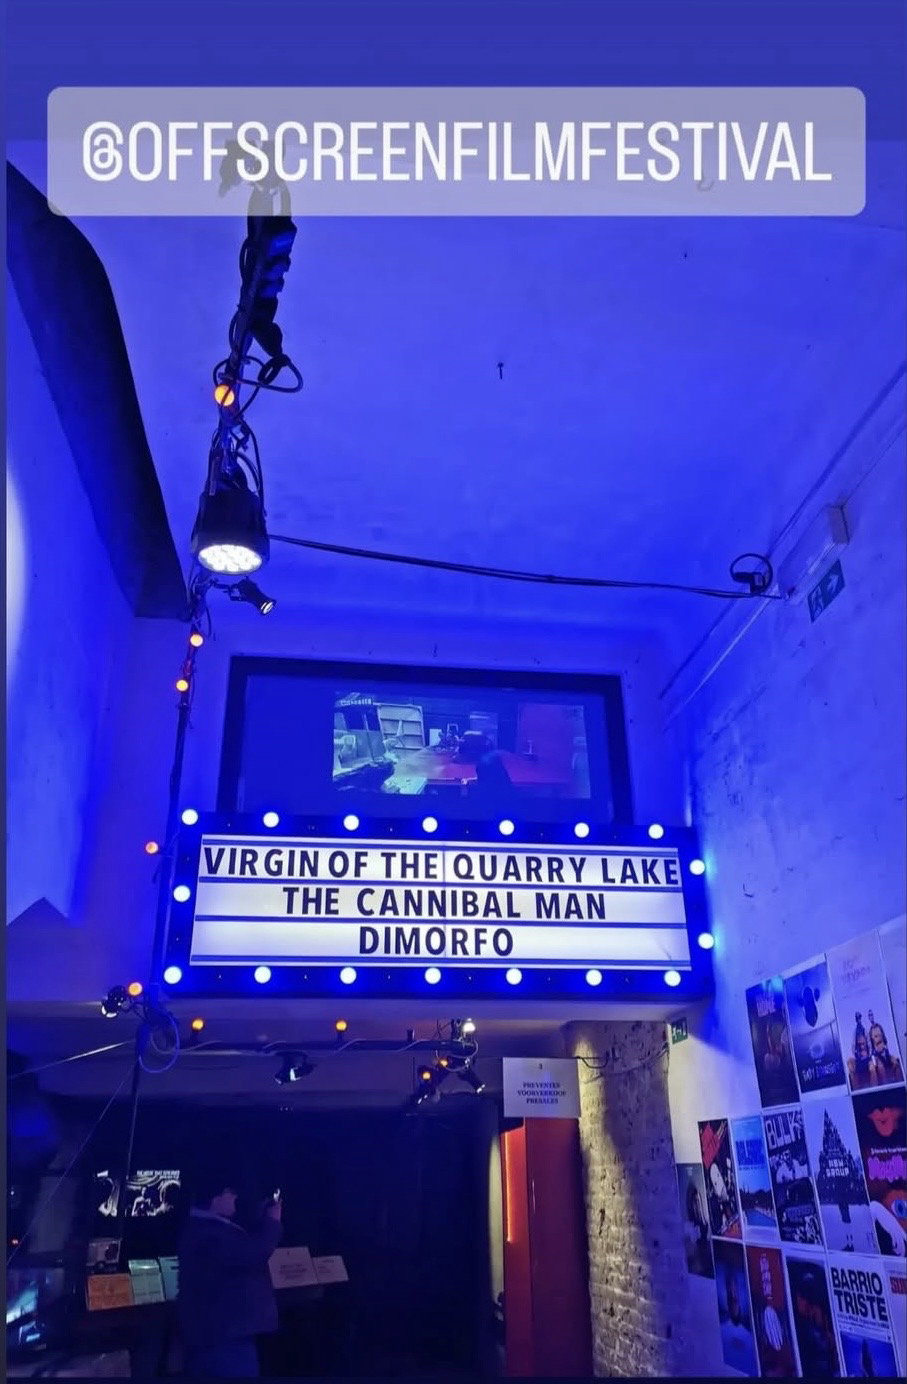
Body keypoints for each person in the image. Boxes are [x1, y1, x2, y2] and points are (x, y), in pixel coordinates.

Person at [177, 1173, 282, 1378]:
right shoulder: (207, 1232)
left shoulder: (204, 1227)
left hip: (217, 1334)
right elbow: (250, 1254)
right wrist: (273, 1222)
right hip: (223, 1337)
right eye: (228, 1192)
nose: (234, 1196)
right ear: (215, 1198)